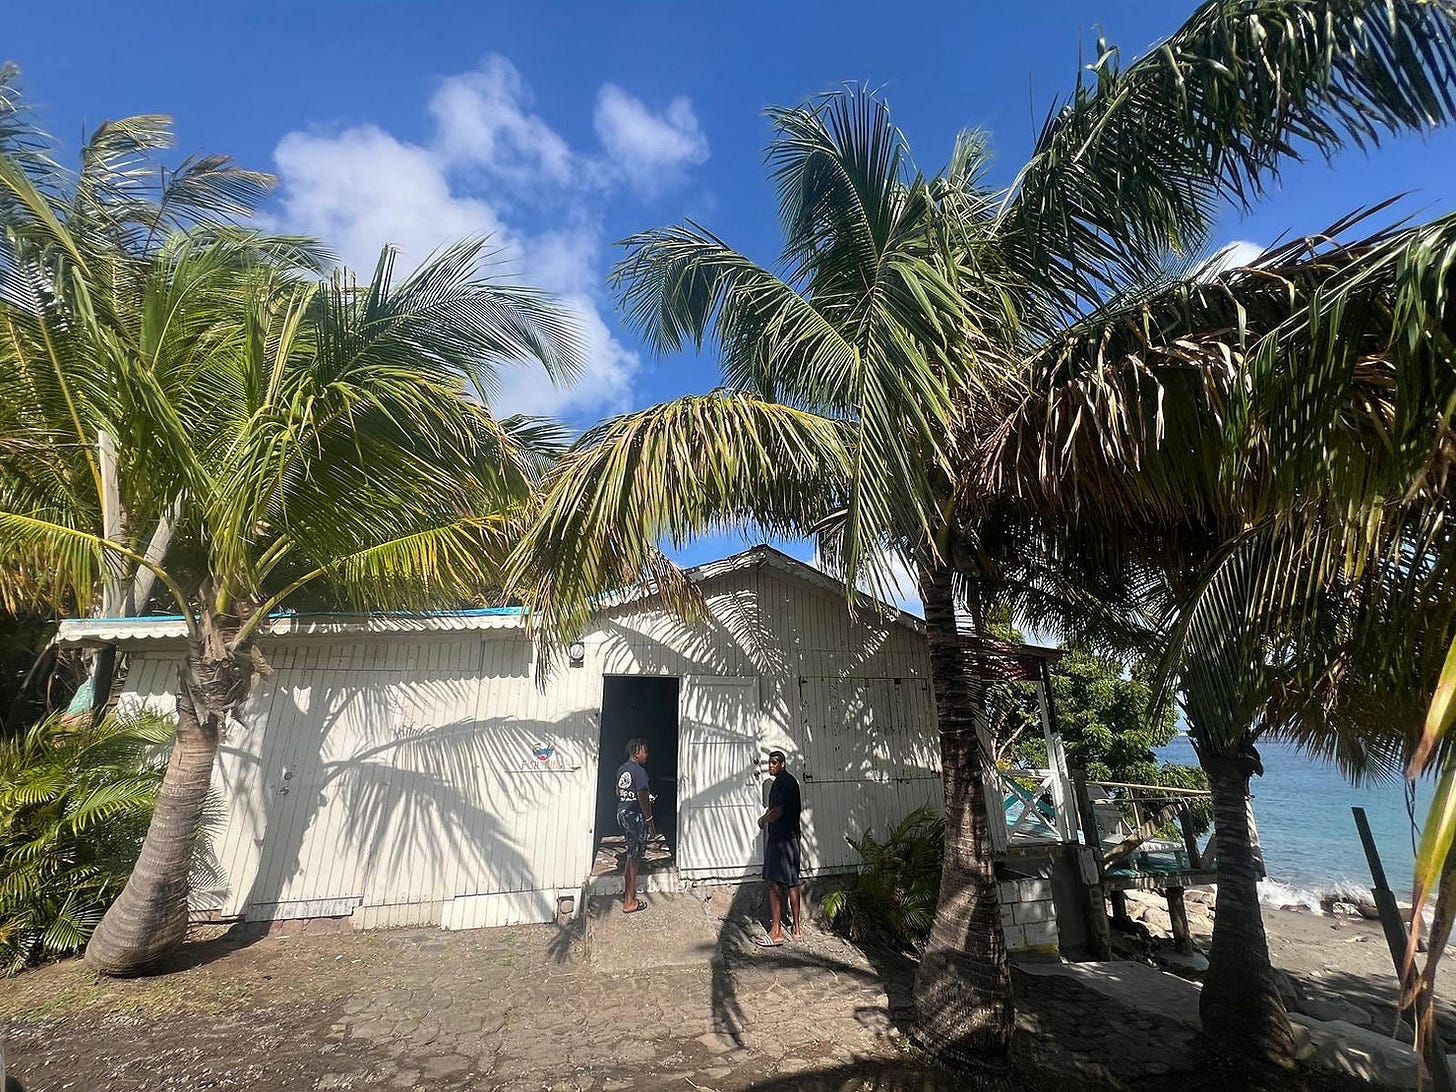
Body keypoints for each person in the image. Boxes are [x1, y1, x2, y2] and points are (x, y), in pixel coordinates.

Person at [757, 749, 802, 943]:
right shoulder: (793, 782)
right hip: (793, 837)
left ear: (782, 764)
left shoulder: (779, 784)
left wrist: (763, 819)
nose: (770, 766)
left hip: (779, 839)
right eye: (769, 763)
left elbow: (778, 811)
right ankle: (797, 929)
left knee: (774, 882)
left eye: (774, 763)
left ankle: (775, 930)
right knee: (792, 881)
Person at [614, 738, 654, 914]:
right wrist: (649, 820)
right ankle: (629, 901)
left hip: (622, 812)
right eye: (645, 751)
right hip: (634, 816)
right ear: (636, 751)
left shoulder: (622, 769)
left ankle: (628, 895)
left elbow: (618, 791)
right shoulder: (639, 772)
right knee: (634, 857)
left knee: (632, 854)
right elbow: (643, 798)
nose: (647, 754)